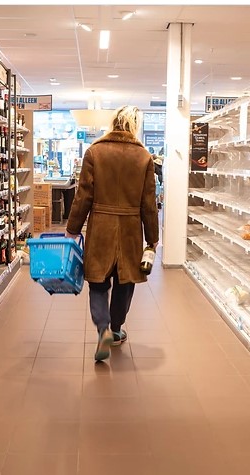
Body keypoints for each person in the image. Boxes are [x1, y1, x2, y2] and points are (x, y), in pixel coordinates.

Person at [65, 105, 160, 362]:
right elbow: (149, 204)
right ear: (134, 126)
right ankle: (117, 329)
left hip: (102, 225)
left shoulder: (95, 151)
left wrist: (72, 229)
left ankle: (103, 328)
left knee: (98, 281)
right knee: (125, 280)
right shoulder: (144, 157)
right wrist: (153, 237)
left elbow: (83, 196)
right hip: (130, 228)